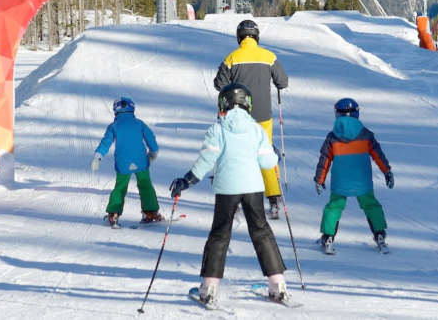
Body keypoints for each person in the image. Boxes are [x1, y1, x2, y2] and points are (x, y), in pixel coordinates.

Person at [171, 83, 290, 308]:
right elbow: (267, 162)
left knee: (220, 234)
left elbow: (206, 160)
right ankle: (278, 285)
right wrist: (274, 155)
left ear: (223, 103)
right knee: (262, 232)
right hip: (253, 188)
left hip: (226, 189)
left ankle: (209, 288)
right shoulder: (256, 130)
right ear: (248, 103)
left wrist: (187, 180)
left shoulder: (218, 129)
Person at [214, 20, 290, 217]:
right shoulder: (269, 56)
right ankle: (273, 199)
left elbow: (219, 84)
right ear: (256, 36)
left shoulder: (232, 57)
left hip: (238, 116)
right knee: (265, 154)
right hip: (263, 115)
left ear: (240, 37)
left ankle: (235, 198)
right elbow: (282, 81)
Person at [313, 97, 394, 254]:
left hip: (340, 182)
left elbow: (325, 159)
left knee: (334, 206)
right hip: (362, 181)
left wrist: (319, 179)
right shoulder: (366, 135)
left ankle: (328, 237)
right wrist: (387, 171)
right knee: (371, 205)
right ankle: (379, 235)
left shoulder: (332, 137)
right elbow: (378, 155)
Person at [91, 97, 162, 228]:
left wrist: (98, 156)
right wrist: (153, 152)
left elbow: (106, 142)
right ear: (132, 109)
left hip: (123, 162)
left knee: (120, 187)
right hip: (141, 160)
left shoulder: (114, 126)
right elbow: (150, 138)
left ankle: (114, 213)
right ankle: (150, 212)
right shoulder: (139, 123)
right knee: (145, 184)